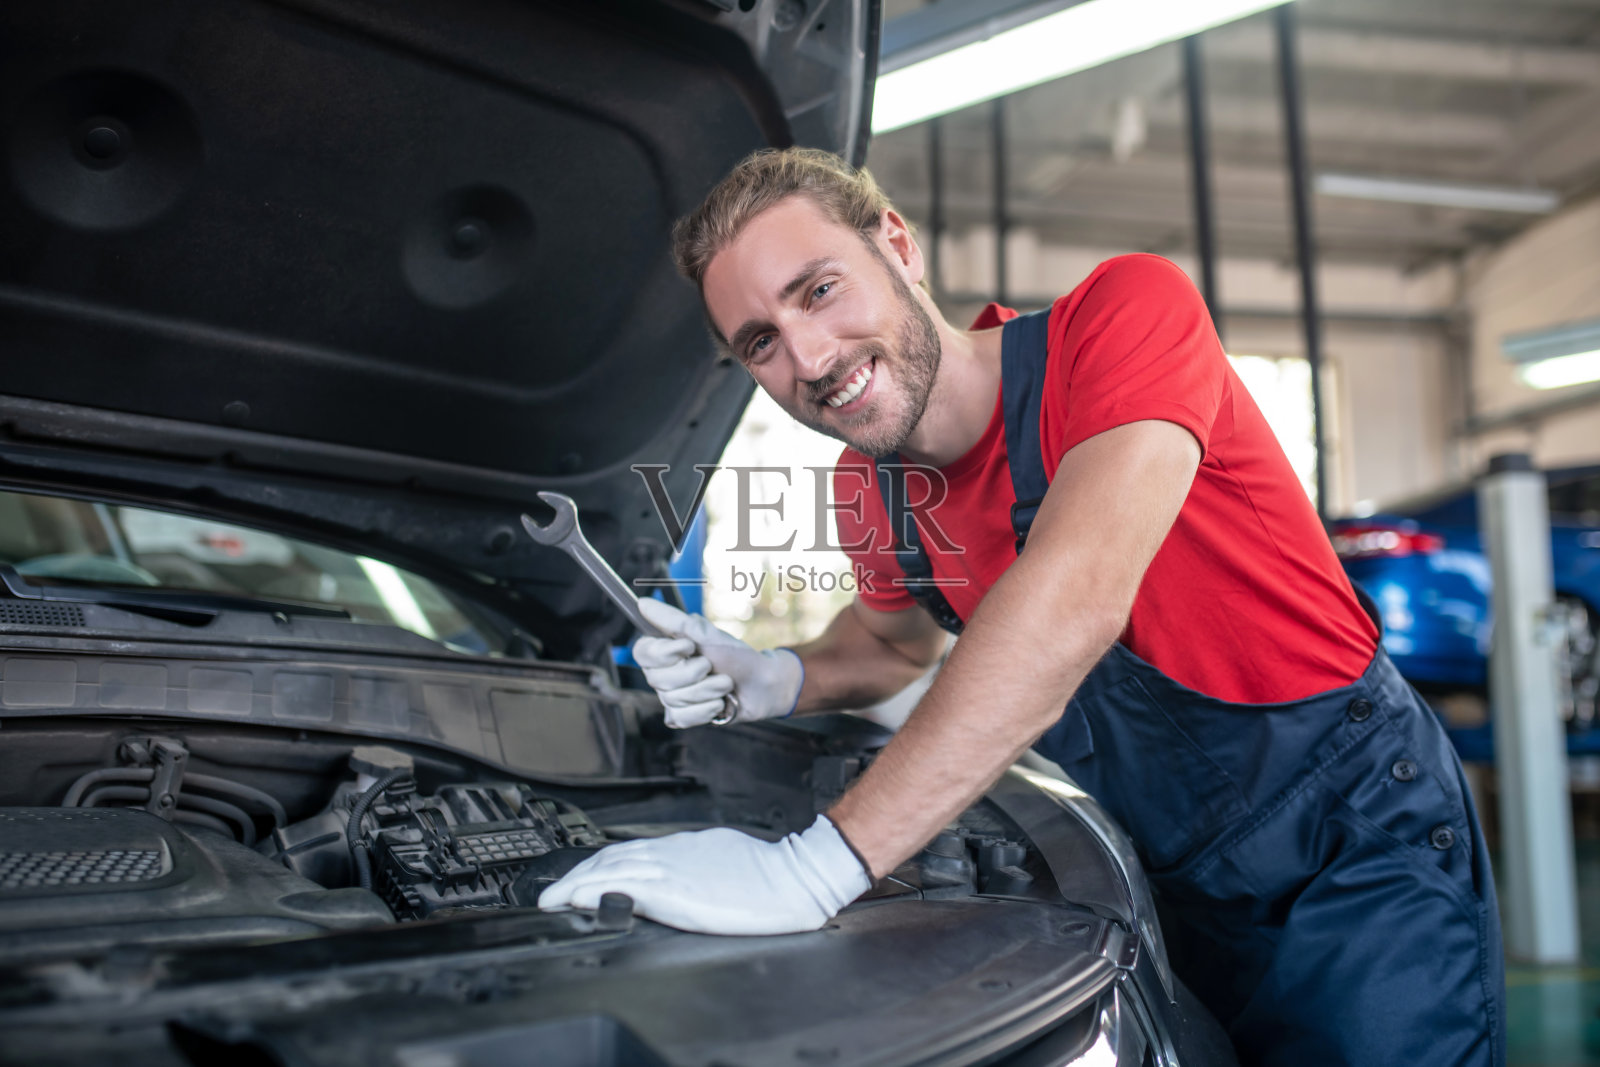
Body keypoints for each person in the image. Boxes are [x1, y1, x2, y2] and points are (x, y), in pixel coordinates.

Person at [540, 148, 1505, 1066]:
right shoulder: (869, 488)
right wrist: (773, 674)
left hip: (1352, 837)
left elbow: (1073, 600)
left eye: (819, 289)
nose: (809, 355)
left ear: (898, 245)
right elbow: (886, 643)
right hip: (1173, 879)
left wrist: (811, 868)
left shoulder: (1120, 322)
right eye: (761, 341)